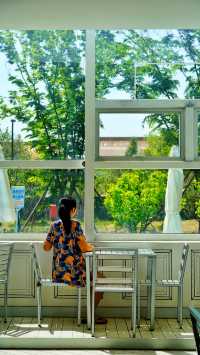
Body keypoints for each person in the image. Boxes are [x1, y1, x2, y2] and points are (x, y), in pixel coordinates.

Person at [43, 196, 105, 322]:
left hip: (58, 273)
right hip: (75, 273)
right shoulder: (76, 225)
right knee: (101, 279)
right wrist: (92, 247)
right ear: (73, 210)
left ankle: (89, 315)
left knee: (96, 278)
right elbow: (85, 248)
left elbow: (46, 247)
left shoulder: (53, 226)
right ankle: (91, 316)